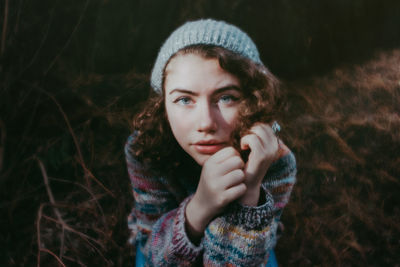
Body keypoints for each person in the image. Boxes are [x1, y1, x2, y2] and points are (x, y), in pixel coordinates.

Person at [125, 19, 297, 266]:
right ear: (162, 106)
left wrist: (250, 192)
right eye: (185, 100)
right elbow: (156, 255)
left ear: (253, 100)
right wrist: (200, 207)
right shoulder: (146, 151)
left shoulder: (273, 161)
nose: (206, 123)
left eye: (226, 98)